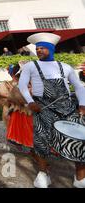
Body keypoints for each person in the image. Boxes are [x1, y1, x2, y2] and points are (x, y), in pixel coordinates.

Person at [18, 33, 85, 188]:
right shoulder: (30, 66)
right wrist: (30, 102)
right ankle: (43, 174)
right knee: (41, 141)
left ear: (51, 49)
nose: (39, 50)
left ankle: (80, 177)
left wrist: (82, 104)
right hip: (42, 108)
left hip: (67, 108)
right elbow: (22, 86)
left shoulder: (65, 67)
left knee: (79, 140)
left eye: (42, 48)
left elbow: (79, 87)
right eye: (37, 48)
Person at [0, 63, 33, 151]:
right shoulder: (7, 84)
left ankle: (25, 145)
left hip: (24, 109)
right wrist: (7, 95)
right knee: (17, 130)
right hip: (13, 110)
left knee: (26, 129)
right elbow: (3, 98)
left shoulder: (28, 83)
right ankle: (21, 145)